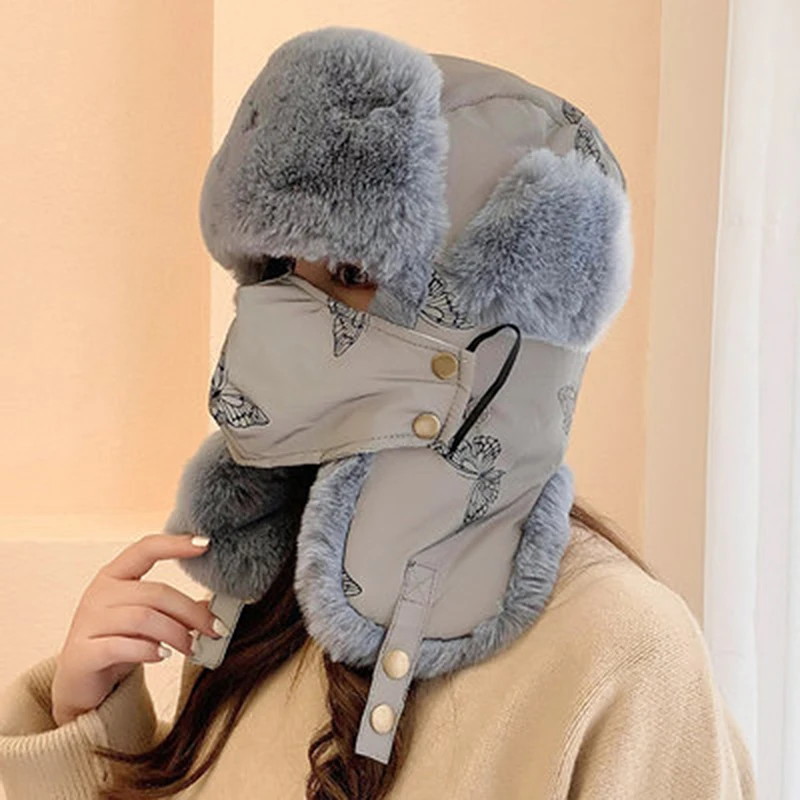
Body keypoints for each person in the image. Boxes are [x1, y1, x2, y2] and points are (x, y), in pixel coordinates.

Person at [0, 27, 755, 800]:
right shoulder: (269, 606)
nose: (287, 315)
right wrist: (88, 727)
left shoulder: (625, 658)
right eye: (279, 268)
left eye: (350, 270)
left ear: (499, 316)